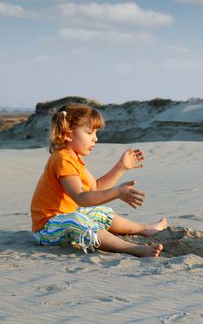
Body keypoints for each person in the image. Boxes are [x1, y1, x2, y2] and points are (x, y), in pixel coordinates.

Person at [30, 103, 167, 257]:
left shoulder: (75, 158)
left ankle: (143, 228)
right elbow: (81, 198)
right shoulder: (62, 160)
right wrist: (116, 192)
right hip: (47, 229)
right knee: (78, 219)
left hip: (64, 218)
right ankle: (131, 248)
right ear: (68, 135)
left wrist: (121, 167)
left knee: (100, 212)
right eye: (90, 132)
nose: (95, 138)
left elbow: (95, 188)